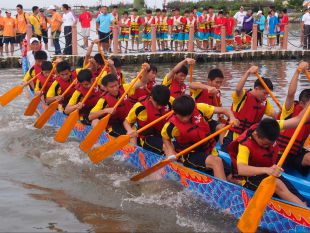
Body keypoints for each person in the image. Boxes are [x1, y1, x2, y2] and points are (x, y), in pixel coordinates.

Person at [228, 117, 307, 206]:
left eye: (270, 144)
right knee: (277, 184)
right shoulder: (245, 146)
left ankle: (302, 207)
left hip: (269, 172)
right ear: (256, 134)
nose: (267, 147)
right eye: (265, 144)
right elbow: (242, 169)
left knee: (297, 196)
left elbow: (298, 120)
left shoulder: (272, 126)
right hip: (250, 179)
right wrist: (266, 170)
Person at [161, 95, 238, 179]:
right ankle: (221, 190)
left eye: (188, 115)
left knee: (231, 177)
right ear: (175, 113)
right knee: (217, 162)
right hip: (190, 154)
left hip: (208, 149)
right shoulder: (171, 126)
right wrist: (171, 151)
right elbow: (165, 138)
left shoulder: (200, 108)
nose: (185, 119)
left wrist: (232, 118)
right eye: (182, 116)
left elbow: (224, 110)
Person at [221, 66, 278, 152]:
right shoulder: (242, 96)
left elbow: (275, 115)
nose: (266, 96)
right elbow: (238, 89)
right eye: (265, 93)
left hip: (248, 138)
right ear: (256, 89)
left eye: (268, 94)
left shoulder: (264, 102)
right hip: (233, 137)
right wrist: (248, 72)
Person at [89, 63, 149, 136]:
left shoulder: (125, 88)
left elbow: (143, 82)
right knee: (94, 121)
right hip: (113, 125)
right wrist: (106, 110)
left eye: (116, 85)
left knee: (134, 134)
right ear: (105, 88)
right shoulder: (103, 100)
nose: (115, 88)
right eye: (111, 87)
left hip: (127, 122)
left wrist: (145, 71)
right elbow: (90, 116)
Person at [277, 62, 310, 174]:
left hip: (295, 153)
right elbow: (291, 93)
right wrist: (298, 71)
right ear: (301, 103)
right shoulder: (290, 109)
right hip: (279, 155)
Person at [124, 85, 172, 154]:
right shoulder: (140, 107)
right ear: (151, 98)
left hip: (162, 136)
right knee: (166, 147)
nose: (160, 107)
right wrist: (129, 130)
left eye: (162, 105)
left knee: (171, 146)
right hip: (146, 138)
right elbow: (126, 122)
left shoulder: (169, 102)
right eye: (158, 104)